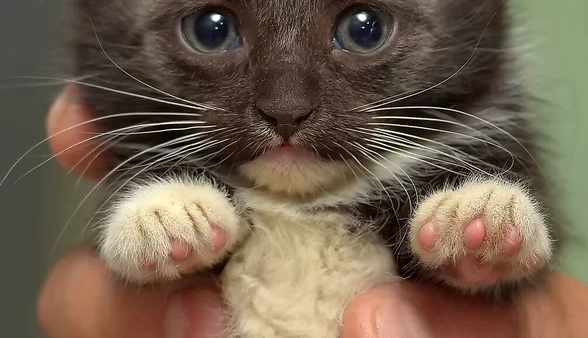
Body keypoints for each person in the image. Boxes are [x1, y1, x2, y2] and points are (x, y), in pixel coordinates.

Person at [38, 87, 588, 338]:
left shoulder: (455, 147)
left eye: (363, 30)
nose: (285, 105)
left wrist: (481, 238)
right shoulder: (170, 163)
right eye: (212, 31)